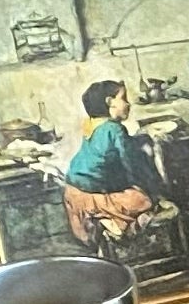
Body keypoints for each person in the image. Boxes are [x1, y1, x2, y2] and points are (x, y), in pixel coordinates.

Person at [60, 80, 169, 243]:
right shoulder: (115, 129)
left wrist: (139, 138)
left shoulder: (91, 124)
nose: (128, 104)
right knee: (144, 200)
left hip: (72, 193)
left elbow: (110, 147)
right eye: (124, 99)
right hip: (92, 198)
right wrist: (152, 188)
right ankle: (109, 222)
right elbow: (131, 164)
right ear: (110, 102)